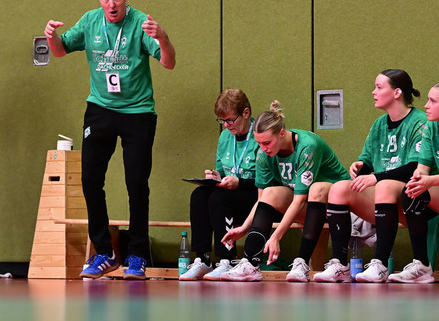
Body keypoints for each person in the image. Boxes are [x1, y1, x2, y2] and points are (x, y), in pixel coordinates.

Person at [43, 0, 175, 280]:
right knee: (90, 179)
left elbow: (168, 62)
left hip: (137, 112)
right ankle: (104, 252)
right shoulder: (90, 21)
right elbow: (60, 50)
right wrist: (51, 36)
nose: (111, 4)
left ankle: (137, 254)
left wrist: (164, 37)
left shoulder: (141, 22)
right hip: (100, 109)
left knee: (136, 183)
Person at [314, 69, 427, 283]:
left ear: (397, 93)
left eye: (379, 87)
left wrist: (376, 177)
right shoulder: (379, 125)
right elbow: (367, 161)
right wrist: (360, 167)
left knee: (384, 185)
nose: (373, 92)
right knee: (339, 189)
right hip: (384, 202)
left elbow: (415, 167)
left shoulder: (419, 121)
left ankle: (380, 264)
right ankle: (340, 265)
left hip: (414, 200)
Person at [220, 101, 350, 282]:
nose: (263, 148)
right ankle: (250, 263)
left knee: (316, 189)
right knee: (270, 193)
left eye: (267, 142)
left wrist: (276, 236)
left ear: (282, 133)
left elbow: (299, 200)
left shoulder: (307, 146)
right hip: (308, 205)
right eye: (259, 143)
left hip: (336, 203)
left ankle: (301, 263)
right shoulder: (263, 154)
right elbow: (261, 200)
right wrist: (244, 227)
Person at [179, 89, 259, 280]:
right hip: (229, 194)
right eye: (222, 121)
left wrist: (240, 183)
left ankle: (227, 259)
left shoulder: (260, 133)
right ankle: (203, 259)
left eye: (230, 120)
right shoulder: (225, 136)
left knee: (219, 197)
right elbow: (222, 171)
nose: (226, 125)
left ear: (246, 113)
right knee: (199, 195)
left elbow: (270, 181)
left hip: (256, 196)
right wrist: (215, 176)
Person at [389, 83, 439, 283]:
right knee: (412, 192)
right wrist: (417, 179)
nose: (426, 105)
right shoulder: (432, 127)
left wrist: (431, 180)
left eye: (433, 101)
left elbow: (430, 177)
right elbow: (423, 167)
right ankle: (422, 265)